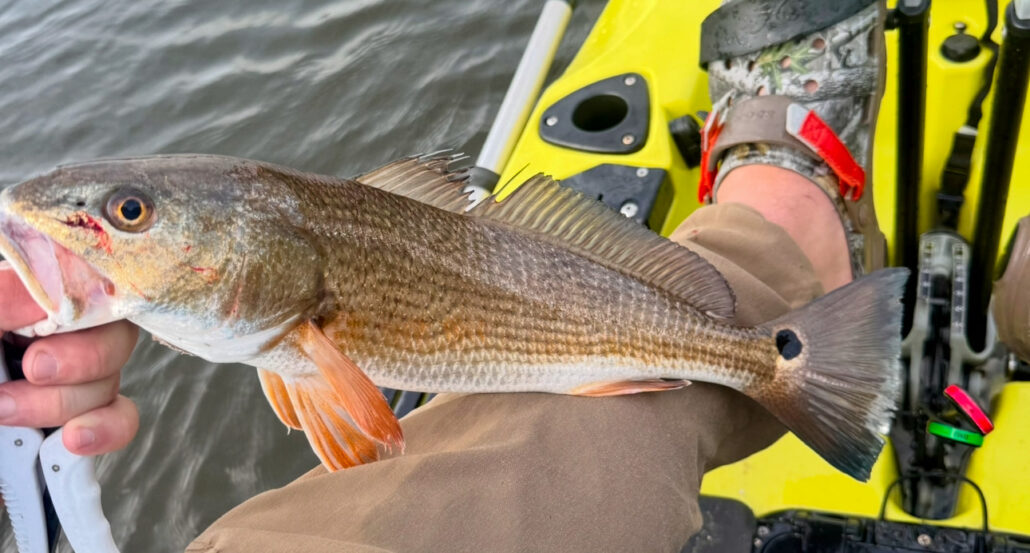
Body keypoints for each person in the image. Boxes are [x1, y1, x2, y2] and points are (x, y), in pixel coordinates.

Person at [0, 0, 1026, 551]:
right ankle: (785, 218)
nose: (87, 229)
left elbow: (360, 435)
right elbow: (361, 426)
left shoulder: (289, 305)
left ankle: (778, 247)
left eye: (128, 214)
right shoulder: (276, 308)